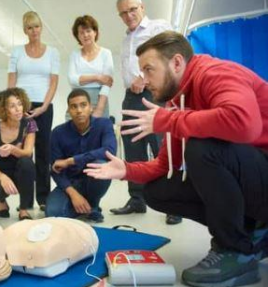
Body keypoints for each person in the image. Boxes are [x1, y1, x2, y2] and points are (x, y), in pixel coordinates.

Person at [85, 31, 268, 287]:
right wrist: (124, 169)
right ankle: (251, 231)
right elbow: (162, 165)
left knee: (202, 148)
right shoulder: (177, 101)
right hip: (254, 179)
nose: (144, 80)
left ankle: (236, 251)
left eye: (149, 70)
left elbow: (244, 124)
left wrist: (169, 120)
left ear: (177, 63)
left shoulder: (215, 73)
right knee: (157, 191)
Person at [111, 0, 181, 225]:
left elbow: (173, 55)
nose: (129, 15)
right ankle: (137, 199)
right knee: (132, 146)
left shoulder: (158, 28)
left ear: (142, 7)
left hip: (154, 93)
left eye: (132, 9)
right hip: (130, 97)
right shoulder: (125, 40)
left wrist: (146, 78)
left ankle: (174, 204)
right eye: (123, 13)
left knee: (161, 146)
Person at [8, 11, 60, 211]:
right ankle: (25, 200)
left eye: (36, 26)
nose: (34, 31)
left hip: (44, 106)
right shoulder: (17, 52)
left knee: (43, 152)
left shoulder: (53, 52)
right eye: (29, 27)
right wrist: (13, 106)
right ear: (24, 30)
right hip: (21, 105)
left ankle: (44, 197)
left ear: (41, 27)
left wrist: (44, 107)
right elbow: (11, 81)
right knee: (23, 153)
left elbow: (54, 82)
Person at [46, 89, 116, 223]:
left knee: (101, 164)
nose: (79, 110)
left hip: (94, 180)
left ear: (91, 108)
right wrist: (73, 194)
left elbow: (109, 151)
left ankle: (93, 205)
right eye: (74, 106)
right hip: (70, 183)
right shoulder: (57, 133)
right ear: (68, 111)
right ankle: (82, 206)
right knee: (52, 213)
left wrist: (71, 161)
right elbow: (55, 170)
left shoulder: (104, 125)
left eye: (83, 105)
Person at [0, 88, 37, 220]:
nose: (18, 109)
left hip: (20, 170)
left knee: (27, 163)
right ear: (4, 110)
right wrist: (2, 178)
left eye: (19, 104)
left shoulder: (29, 124)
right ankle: (1, 201)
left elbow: (28, 152)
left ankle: (23, 209)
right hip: (0, 171)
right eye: (12, 106)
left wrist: (13, 149)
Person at [68, 15, 114, 118]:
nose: (85, 35)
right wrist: (97, 77)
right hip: (77, 99)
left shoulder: (106, 53)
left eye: (88, 31)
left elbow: (107, 84)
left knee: (99, 131)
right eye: (81, 32)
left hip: (99, 99)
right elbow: (72, 80)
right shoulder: (74, 54)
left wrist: (99, 108)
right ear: (78, 36)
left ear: (95, 32)